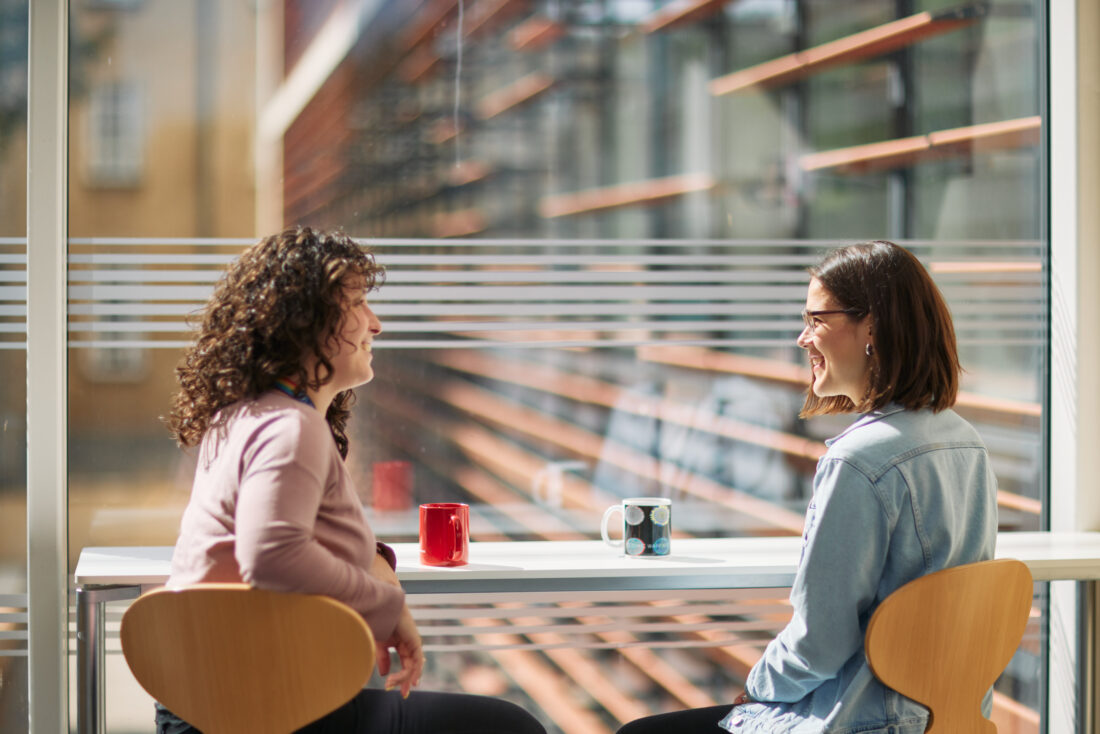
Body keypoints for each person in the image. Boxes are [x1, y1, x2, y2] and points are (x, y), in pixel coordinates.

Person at [163, 226, 546, 734]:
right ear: (306, 321)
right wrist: (386, 603)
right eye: (360, 303)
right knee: (509, 728)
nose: (376, 324)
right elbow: (271, 554)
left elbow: (276, 537)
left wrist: (374, 561)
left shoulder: (243, 418)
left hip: (208, 704)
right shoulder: (290, 428)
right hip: (265, 710)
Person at [616, 241, 998, 734]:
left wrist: (754, 688)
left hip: (862, 720)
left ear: (872, 327)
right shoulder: (965, 442)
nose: (802, 338)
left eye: (817, 320)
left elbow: (820, 644)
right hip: (946, 719)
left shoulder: (859, 461)